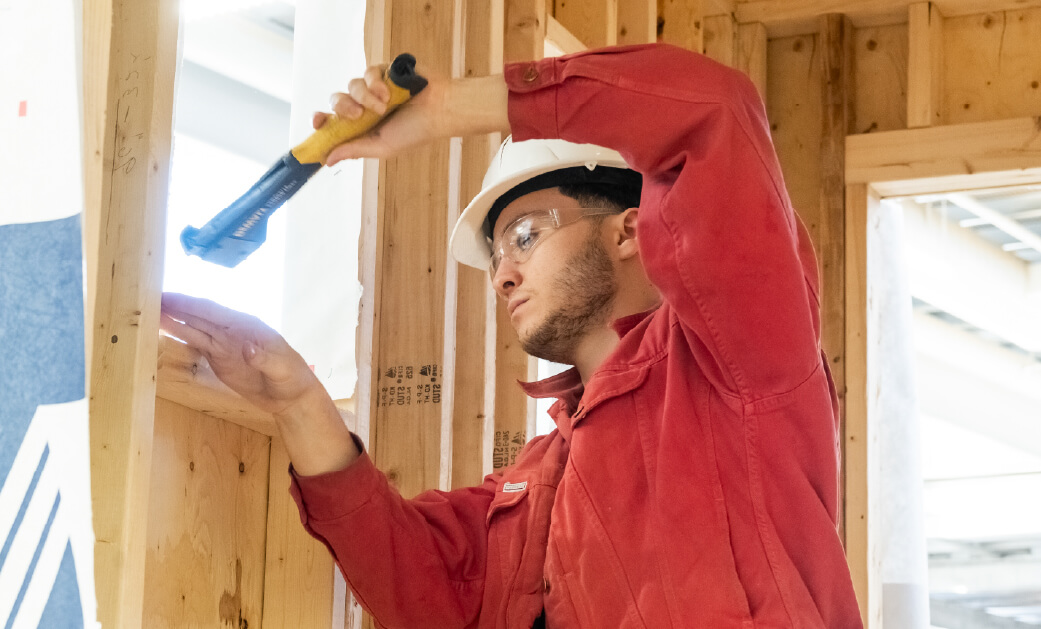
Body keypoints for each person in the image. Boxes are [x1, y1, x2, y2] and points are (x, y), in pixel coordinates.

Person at [161, 43, 864, 628]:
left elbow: (716, 111)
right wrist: (296, 402)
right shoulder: (538, 477)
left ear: (629, 229)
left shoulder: (736, 358)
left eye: (526, 235)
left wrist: (450, 108)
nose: (503, 275)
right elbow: (418, 581)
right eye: (496, 254)